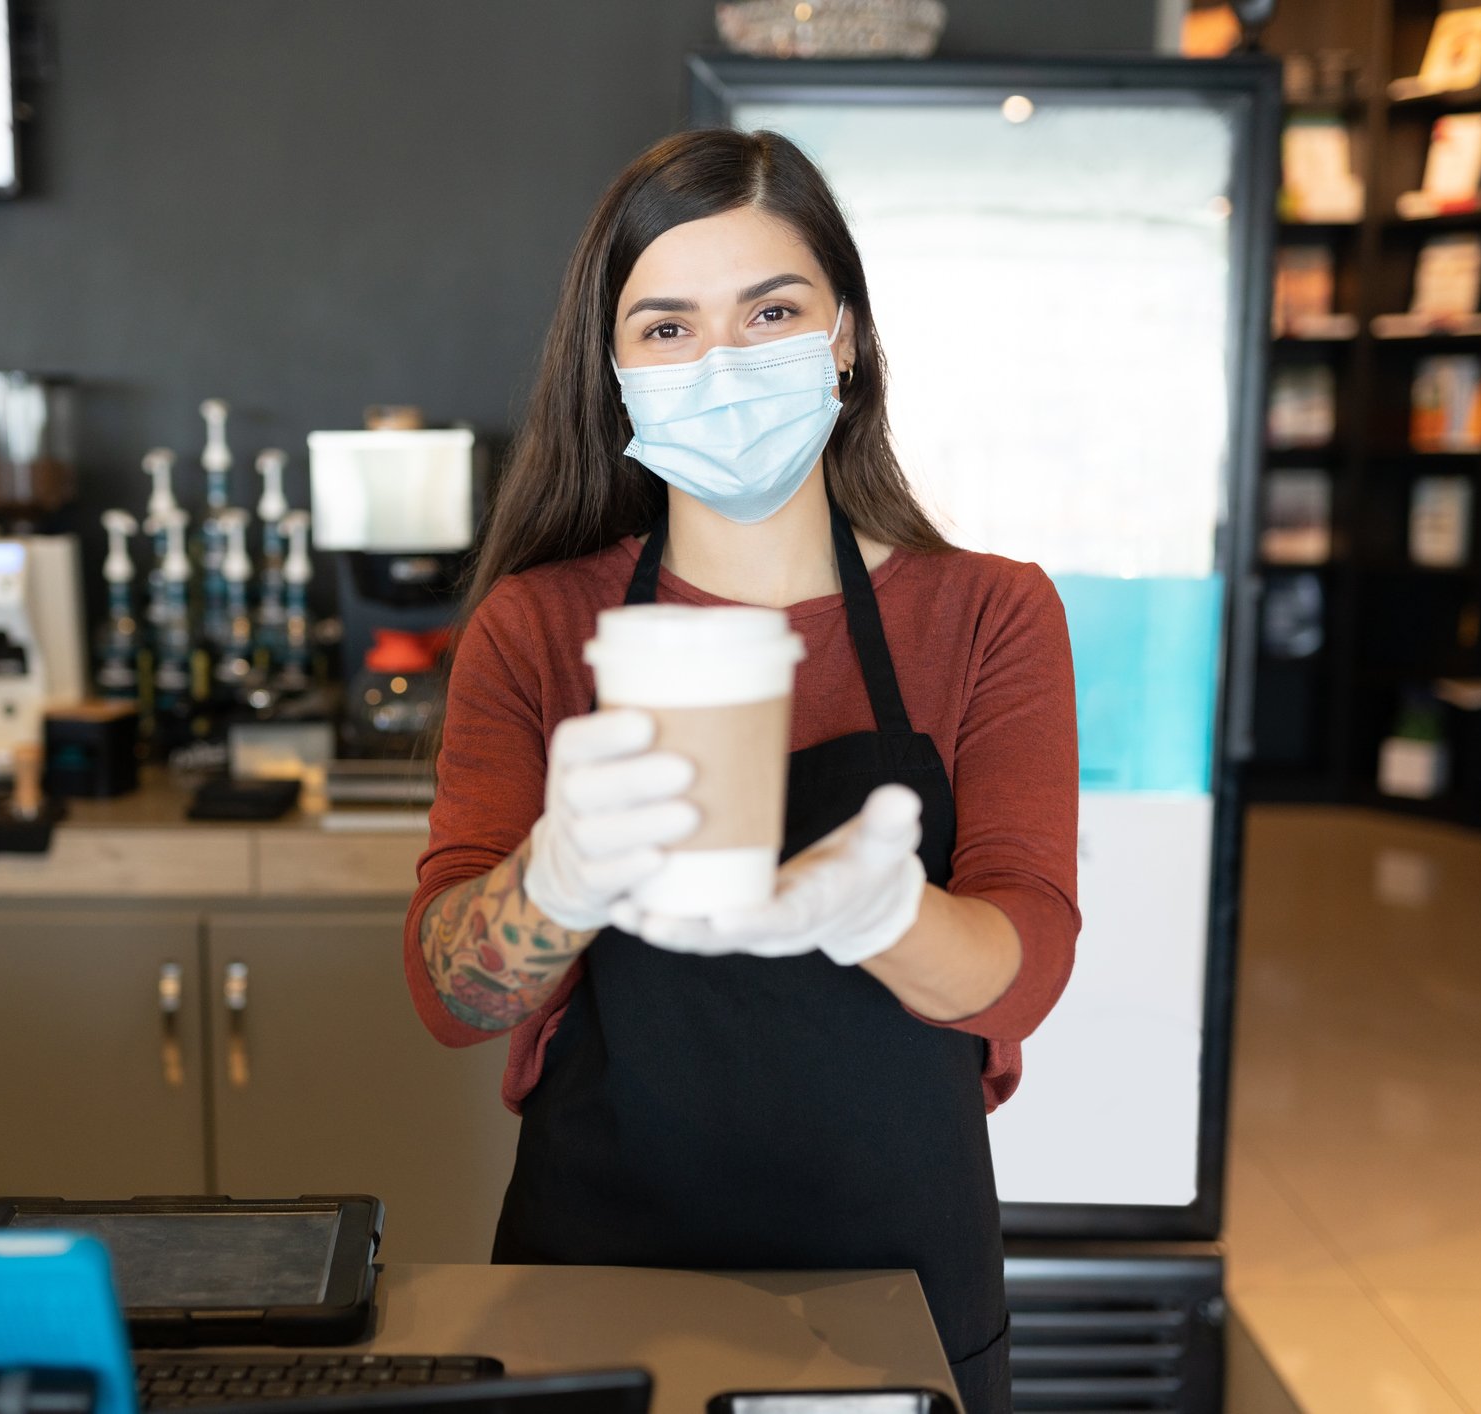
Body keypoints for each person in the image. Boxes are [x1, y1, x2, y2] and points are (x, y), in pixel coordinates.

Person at [402, 128, 1080, 1414]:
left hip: (897, 1291)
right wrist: (552, 882)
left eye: (770, 312)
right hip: (595, 1281)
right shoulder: (538, 628)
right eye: (666, 328)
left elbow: (1028, 962)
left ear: (844, 338)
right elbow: (452, 996)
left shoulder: (986, 614)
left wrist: (884, 917)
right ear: (613, 373)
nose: (721, 363)